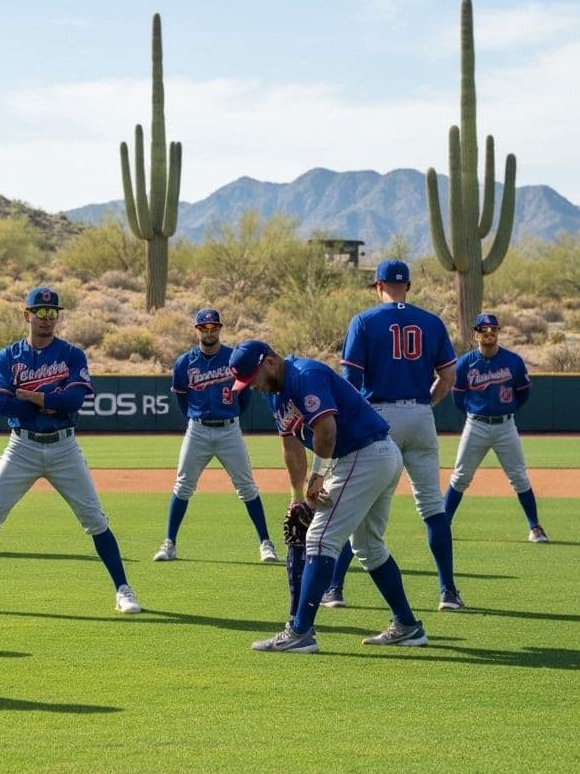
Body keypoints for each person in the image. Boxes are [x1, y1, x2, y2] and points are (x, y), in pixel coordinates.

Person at [0, 286, 141, 615]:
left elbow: (74, 401)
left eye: (52, 312)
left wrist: (33, 397)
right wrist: (51, 401)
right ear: (26, 315)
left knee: (94, 518)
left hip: (64, 446)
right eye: (40, 312)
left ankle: (123, 590)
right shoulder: (8, 356)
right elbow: (3, 405)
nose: (46, 318)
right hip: (22, 446)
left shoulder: (72, 354)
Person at [230, 339, 427, 653]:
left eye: (252, 379)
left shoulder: (304, 375)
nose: (251, 387)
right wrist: (298, 496)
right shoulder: (275, 394)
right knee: (367, 546)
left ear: (268, 362)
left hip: (363, 455)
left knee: (320, 539)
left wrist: (317, 478)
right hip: (369, 457)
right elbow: (291, 445)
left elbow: (326, 430)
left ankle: (300, 632)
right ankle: (407, 625)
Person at [325, 259, 463, 612]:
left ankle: (334, 589)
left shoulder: (365, 320)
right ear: (409, 287)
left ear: (377, 286)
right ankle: (448, 592)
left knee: (356, 504)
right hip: (419, 415)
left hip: (379, 416)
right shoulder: (431, 321)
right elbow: (448, 377)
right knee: (432, 506)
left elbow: (351, 383)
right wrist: (425, 405)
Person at [152, 308, 278, 564]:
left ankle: (266, 543)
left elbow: (245, 397)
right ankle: (170, 543)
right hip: (197, 429)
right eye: (204, 328)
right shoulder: (185, 362)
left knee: (246, 487)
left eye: (213, 327)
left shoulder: (233, 357)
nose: (209, 332)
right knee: (183, 485)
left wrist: (231, 414)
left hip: (229, 429)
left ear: (220, 328)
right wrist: (194, 417)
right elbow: (181, 397)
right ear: (196, 330)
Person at [445, 313, 549, 542]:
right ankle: (443, 525)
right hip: (476, 425)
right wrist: (475, 413)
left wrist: (506, 410)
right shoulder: (465, 363)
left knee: (519, 477)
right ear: (476, 334)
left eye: (493, 329)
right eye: (483, 329)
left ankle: (535, 527)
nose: (489, 333)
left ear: (498, 332)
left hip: (505, 425)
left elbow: (523, 394)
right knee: (461, 476)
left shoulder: (513, 361)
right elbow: (458, 397)